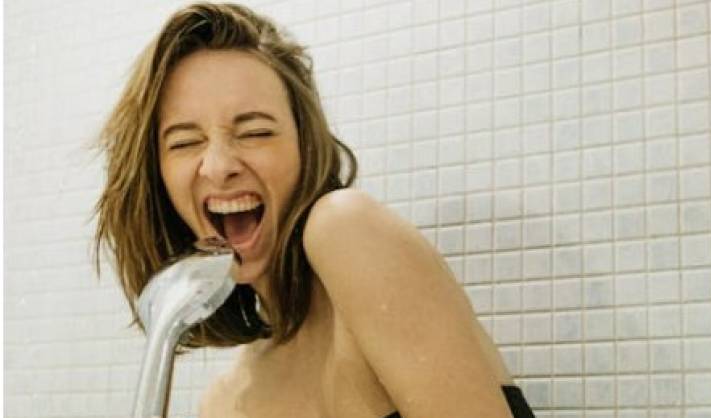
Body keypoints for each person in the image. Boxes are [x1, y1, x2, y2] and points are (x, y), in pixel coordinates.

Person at [94, 2, 535, 417]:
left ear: (306, 147)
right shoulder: (224, 403)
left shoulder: (346, 228)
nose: (219, 166)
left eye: (255, 132)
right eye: (185, 142)